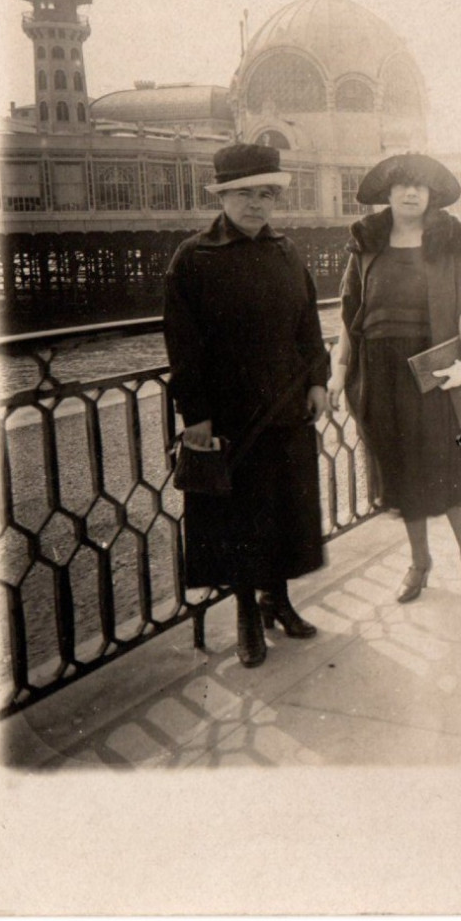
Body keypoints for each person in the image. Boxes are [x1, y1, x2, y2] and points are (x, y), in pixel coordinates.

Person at [163, 143, 328, 667]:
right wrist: (197, 417)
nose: (257, 205)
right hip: (231, 414)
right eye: (244, 194)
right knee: (237, 518)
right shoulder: (195, 257)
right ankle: (245, 615)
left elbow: (308, 324)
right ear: (222, 197)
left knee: (283, 508)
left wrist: (317, 381)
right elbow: (183, 345)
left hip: (286, 404)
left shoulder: (285, 251)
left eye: (266, 194)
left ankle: (276, 600)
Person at [328, 153, 461, 604]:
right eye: (402, 185)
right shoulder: (366, 244)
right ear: (387, 194)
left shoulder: (451, 242)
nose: (411, 193)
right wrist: (337, 370)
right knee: (403, 473)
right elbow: (350, 312)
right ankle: (419, 564)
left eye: (420, 186)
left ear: (430, 196)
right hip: (381, 375)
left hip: (434, 374)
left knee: (450, 472)